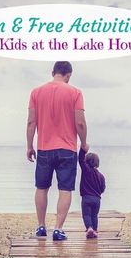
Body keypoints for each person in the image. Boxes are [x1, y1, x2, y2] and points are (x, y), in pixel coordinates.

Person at [27, 61, 88, 240]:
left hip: (44, 148)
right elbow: (80, 123)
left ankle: (40, 227)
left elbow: (31, 122)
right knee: (65, 189)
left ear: (53, 72)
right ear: (68, 74)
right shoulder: (75, 92)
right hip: (67, 149)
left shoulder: (36, 92)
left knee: (41, 187)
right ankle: (58, 229)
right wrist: (84, 143)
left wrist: (30, 145)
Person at [79, 147, 106, 239]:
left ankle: (89, 228)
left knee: (86, 215)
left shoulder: (86, 170)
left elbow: (80, 159)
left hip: (86, 198)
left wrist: (83, 149)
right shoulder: (101, 176)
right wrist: (98, 193)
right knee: (94, 215)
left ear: (86, 161)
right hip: (97, 199)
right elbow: (103, 188)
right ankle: (95, 230)